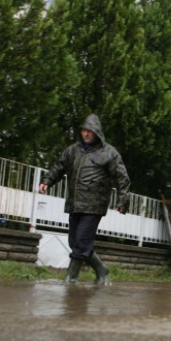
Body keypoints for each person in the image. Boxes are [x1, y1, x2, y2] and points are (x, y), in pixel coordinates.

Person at [39, 114, 130, 285]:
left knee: (81, 241)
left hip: (94, 205)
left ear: (97, 132)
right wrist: (47, 181)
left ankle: (70, 277)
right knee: (75, 242)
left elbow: (122, 178)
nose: (86, 134)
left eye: (90, 131)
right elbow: (59, 166)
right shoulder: (73, 150)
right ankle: (101, 269)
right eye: (84, 130)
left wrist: (122, 200)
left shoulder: (109, 153)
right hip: (75, 203)